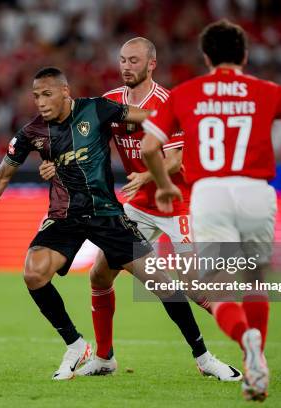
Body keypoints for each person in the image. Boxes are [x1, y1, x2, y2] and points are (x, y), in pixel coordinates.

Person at [0, 67, 228, 381]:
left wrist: (185, 115)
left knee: (162, 284)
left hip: (107, 216)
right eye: (36, 96)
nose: (40, 102)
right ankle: (76, 345)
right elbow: (2, 174)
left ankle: (204, 358)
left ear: (65, 92)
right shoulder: (33, 132)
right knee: (33, 272)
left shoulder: (96, 109)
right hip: (64, 218)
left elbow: (146, 115)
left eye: (47, 94)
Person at [141, 20, 281, 401]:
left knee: (215, 287)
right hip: (257, 192)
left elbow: (147, 148)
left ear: (206, 56)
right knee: (256, 279)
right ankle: (256, 360)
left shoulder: (186, 93)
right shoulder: (265, 90)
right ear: (244, 55)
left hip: (209, 193)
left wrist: (164, 185)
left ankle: (247, 343)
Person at [38, 38, 239, 381]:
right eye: (122, 60)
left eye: (134, 60)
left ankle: (242, 333)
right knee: (100, 274)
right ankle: (104, 358)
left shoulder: (166, 102)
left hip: (177, 205)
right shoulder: (111, 102)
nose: (126, 65)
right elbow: (80, 140)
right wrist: (56, 164)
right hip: (138, 208)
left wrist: (146, 174)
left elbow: (175, 160)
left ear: (151, 65)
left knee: (192, 286)